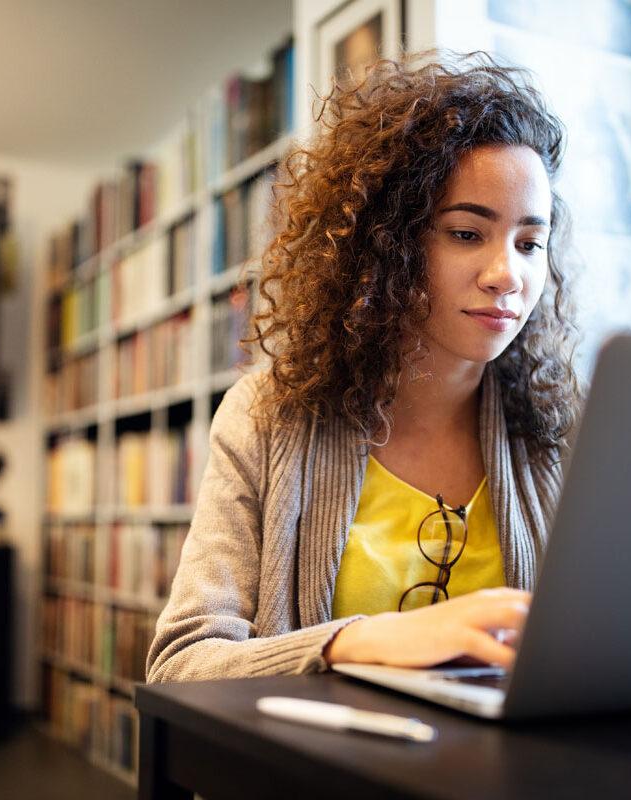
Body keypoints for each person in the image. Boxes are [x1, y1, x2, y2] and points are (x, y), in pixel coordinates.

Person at [146, 52, 581, 683]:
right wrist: (360, 643)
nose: (507, 275)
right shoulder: (266, 415)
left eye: (529, 243)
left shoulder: (562, 431)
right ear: (389, 241)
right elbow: (180, 663)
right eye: (466, 233)